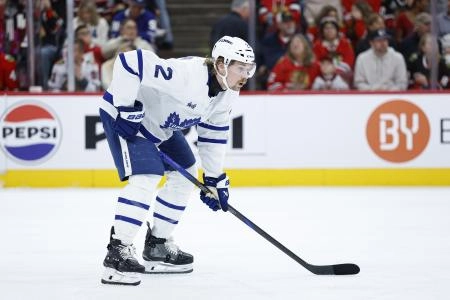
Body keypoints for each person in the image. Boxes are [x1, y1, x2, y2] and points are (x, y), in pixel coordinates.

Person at [99, 36, 256, 286]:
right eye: (241, 68)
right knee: (147, 176)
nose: (246, 75)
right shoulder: (185, 75)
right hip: (127, 120)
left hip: (160, 128)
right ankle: (117, 252)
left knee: (187, 173)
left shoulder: (227, 93)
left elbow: (213, 135)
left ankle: (157, 246)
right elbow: (130, 61)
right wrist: (126, 107)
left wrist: (214, 178)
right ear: (221, 65)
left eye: (250, 68)